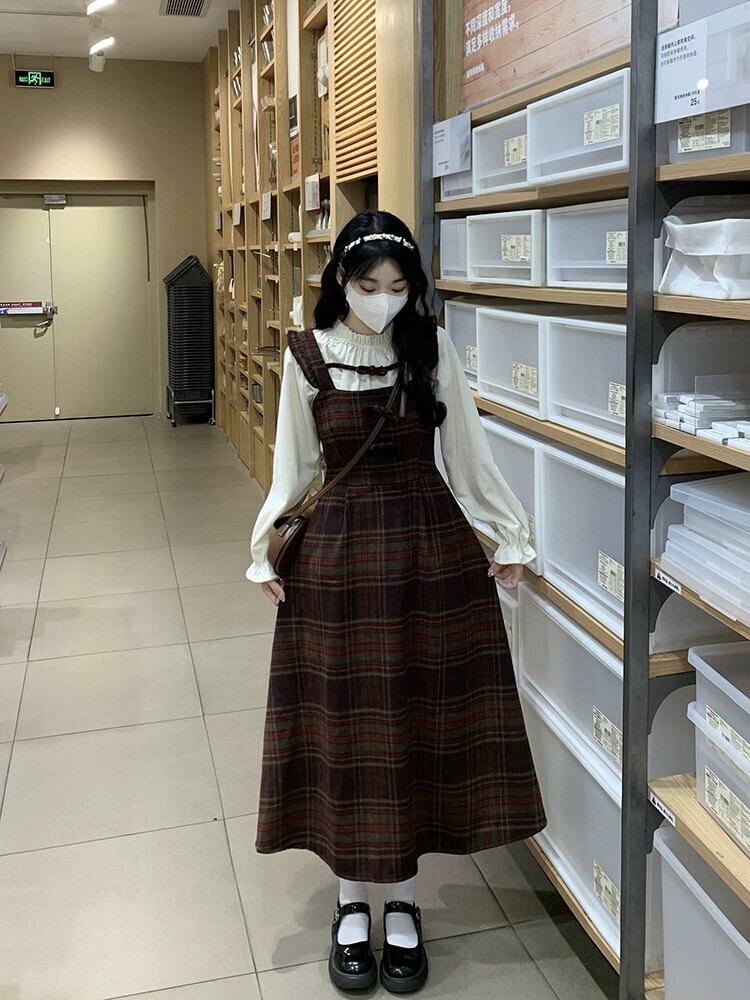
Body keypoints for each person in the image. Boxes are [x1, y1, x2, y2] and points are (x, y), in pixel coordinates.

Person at [246, 210, 546, 994]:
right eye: (368, 284)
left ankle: (404, 901)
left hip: (427, 553)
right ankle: (352, 902)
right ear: (340, 281)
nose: (383, 298)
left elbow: (468, 454)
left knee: (416, 723)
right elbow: (293, 467)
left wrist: (506, 536)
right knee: (348, 729)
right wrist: (265, 547)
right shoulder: (307, 356)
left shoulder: (430, 348)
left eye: (398, 285)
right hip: (338, 560)